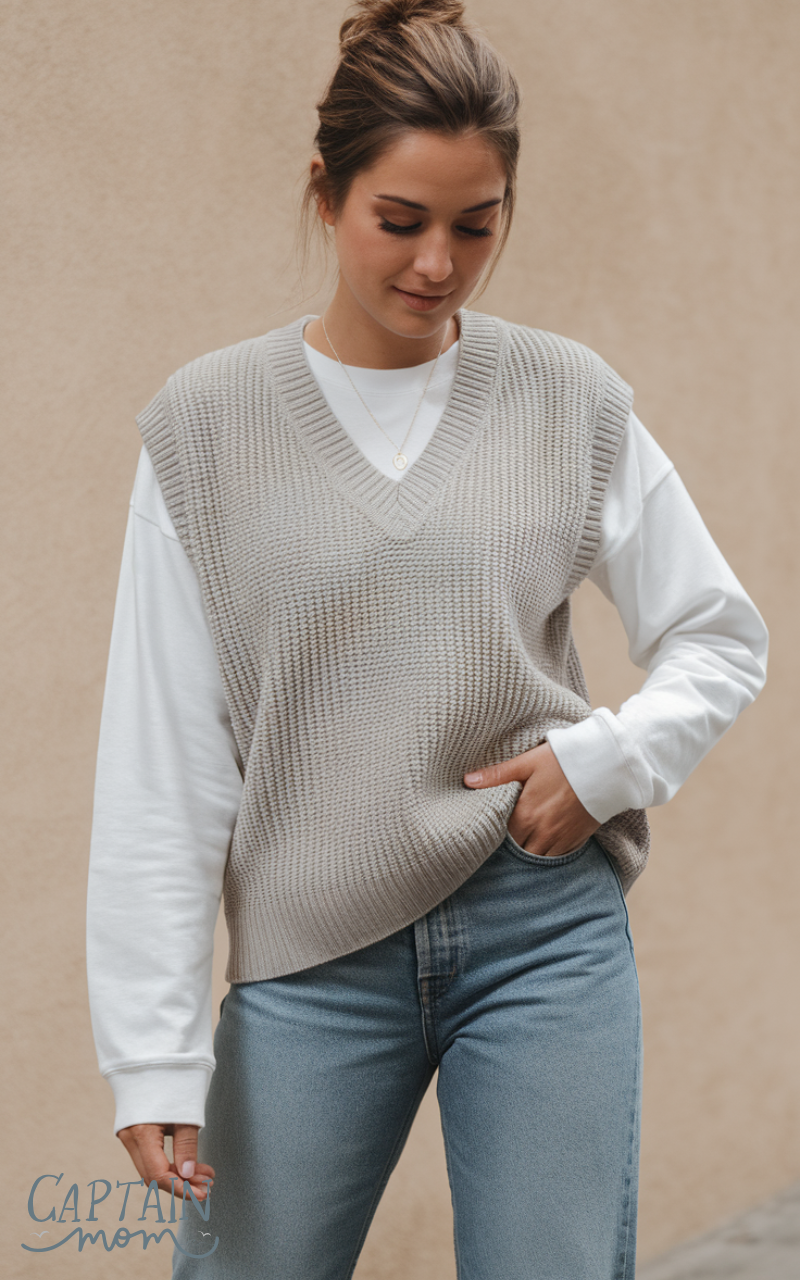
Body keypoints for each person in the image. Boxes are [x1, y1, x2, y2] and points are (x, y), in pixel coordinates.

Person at [86, 1, 768, 1276]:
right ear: (325, 192)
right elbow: (163, 764)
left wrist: (606, 760)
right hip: (309, 955)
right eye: (399, 220)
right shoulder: (206, 428)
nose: (438, 263)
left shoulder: (568, 399)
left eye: (475, 223)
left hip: (539, 931)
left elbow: (718, 635)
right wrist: (152, 1050)